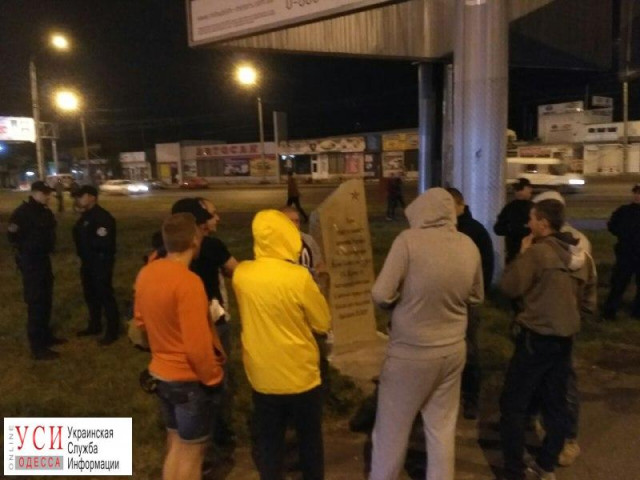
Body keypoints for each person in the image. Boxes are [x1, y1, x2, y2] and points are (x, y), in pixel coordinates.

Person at [369, 188, 484, 480]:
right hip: (453, 349)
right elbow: (476, 296)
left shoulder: (408, 242)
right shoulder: (468, 245)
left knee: (391, 432)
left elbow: (381, 294)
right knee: (441, 429)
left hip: (412, 351)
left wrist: (400, 302)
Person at [499, 199, 597, 480]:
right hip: (565, 339)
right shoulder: (581, 255)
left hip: (535, 338)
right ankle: (547, 464)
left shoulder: (537, 254)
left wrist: (521, 254)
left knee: (513, 405)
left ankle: (515, 470)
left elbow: (509, 287)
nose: (528, 223)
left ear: (543, 223)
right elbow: (589, 303)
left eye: (532, 218)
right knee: (556, 404)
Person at [232, 209, 331, 480]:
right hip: (301, 375)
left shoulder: (242, 274)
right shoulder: (298, 277)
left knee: (269, 440)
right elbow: (322, 323)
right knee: (309, 439)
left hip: (262, 374)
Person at [134, 213, 225, 480]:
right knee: (192, 453)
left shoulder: (147, 272)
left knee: (175, 444)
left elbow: (140, 322)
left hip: (161, 374)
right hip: (188, 380)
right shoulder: (189, 283)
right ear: (195, 240)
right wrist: (213, 378)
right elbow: (197, 345)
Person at [530, 190, 592, 467]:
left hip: (555, 324)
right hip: (555, 323)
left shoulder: (567, 243)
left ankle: (567, 437)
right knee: (552, 378)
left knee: (563, 382)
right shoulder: (568, 240)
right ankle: (548, 428)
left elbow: (586, 283)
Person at [447, 187, 494, 421]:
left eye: (449, 206)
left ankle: (471, 397)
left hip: (467, 302)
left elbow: (485, 267)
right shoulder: (448, 231)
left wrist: (474, 294)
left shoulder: (473, 231)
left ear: (460, 205)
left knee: (469, 349)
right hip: (448, 301)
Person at [7, 180, 64, 360]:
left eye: (49, 193)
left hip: (43, 260)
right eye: (44, 193)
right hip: (31, 263)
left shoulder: (44, 212)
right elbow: (12, 235)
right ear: (34, 193)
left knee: (46, 299)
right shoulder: (22, 213)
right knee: (36, 302)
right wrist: (26, 250)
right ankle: (37, 346)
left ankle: (45, 336)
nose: (48, 196)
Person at [72, 185, 120, 345]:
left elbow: (103, 242)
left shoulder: (102, 217)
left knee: (105, 294)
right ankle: (95, 324)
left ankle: (112, 331)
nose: (78, 199)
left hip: (100, 261)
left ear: (92, 197)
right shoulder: (85, 216)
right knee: (90, 294)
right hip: (87, 262)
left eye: (81, 196)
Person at [602, 183, 640, 321]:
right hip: (626, 253)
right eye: (636, 192)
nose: (638, 196)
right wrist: (623, 235)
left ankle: (637, 312)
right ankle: (609, 312)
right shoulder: (623, 211)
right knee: (618, 283)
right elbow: (612, 225)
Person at [494, 178, 533, 264]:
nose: (518, 191)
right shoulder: (509, 208)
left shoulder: (533, 208)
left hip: (530, 254)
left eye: (521, 188)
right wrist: (513, 229)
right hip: (514, 253)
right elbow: (498, 229)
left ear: (529, 189)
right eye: (516, 189)